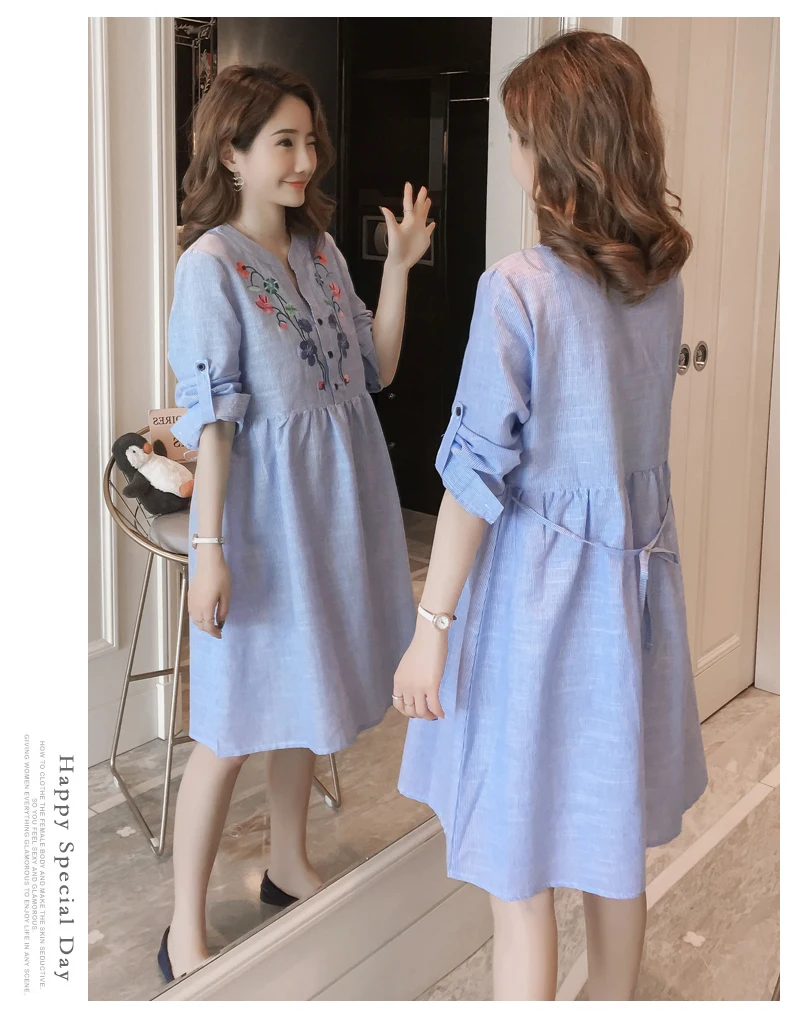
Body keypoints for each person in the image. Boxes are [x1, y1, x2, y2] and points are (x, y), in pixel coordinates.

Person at [394, 29, 708, 1001]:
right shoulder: (657, 283)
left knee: (516, 863)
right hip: (631, 592)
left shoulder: (518, 289)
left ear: (557, 150)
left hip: (536, 604)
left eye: (520, 137)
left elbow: (473, 479)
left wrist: (431, 627)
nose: (514, 156)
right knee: (612, 843)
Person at [160, 61, 434, 982]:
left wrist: (398, 268)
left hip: (333, 512)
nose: (306, 159)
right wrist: (209, 551)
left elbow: (376, 369)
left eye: (310, 140)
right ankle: (183, 927)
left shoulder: (321, 252)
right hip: (262, 525)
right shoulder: (209, 268)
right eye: (284, 142)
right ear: (230, 154)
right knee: (230, 723)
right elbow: (213, 423)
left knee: (300, 697)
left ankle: (286, 861)